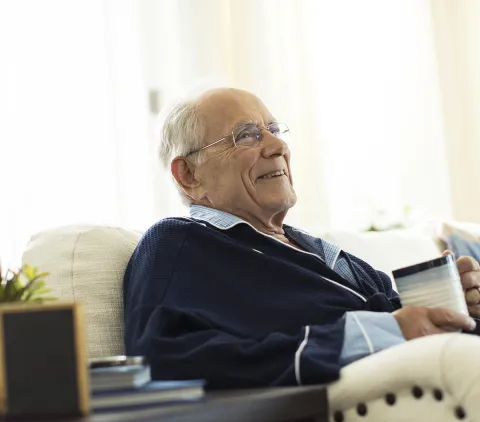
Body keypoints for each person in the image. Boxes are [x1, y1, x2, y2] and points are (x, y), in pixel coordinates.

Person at [123, 88, 480, 389]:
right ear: (188, 175)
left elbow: (397, 315)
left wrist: (452, 308)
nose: (278, 145)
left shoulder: (313, 248)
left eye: (274, 129)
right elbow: (159, 360)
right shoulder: (180, 242)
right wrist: (380, 334)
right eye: (246, 135)